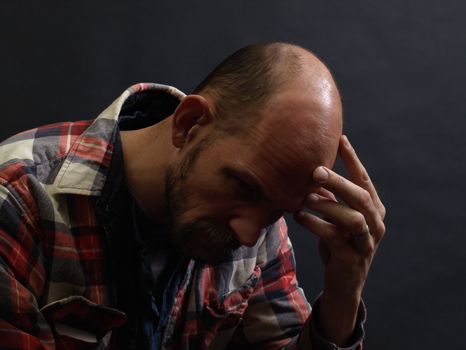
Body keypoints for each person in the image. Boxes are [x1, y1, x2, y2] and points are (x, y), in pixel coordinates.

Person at [0, 42, 385, 349]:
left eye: (278, 212)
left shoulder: (259, 225)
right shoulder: (17, 202)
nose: (251, 234)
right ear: (189, 124)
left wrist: (342, 296)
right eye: (244, 187)